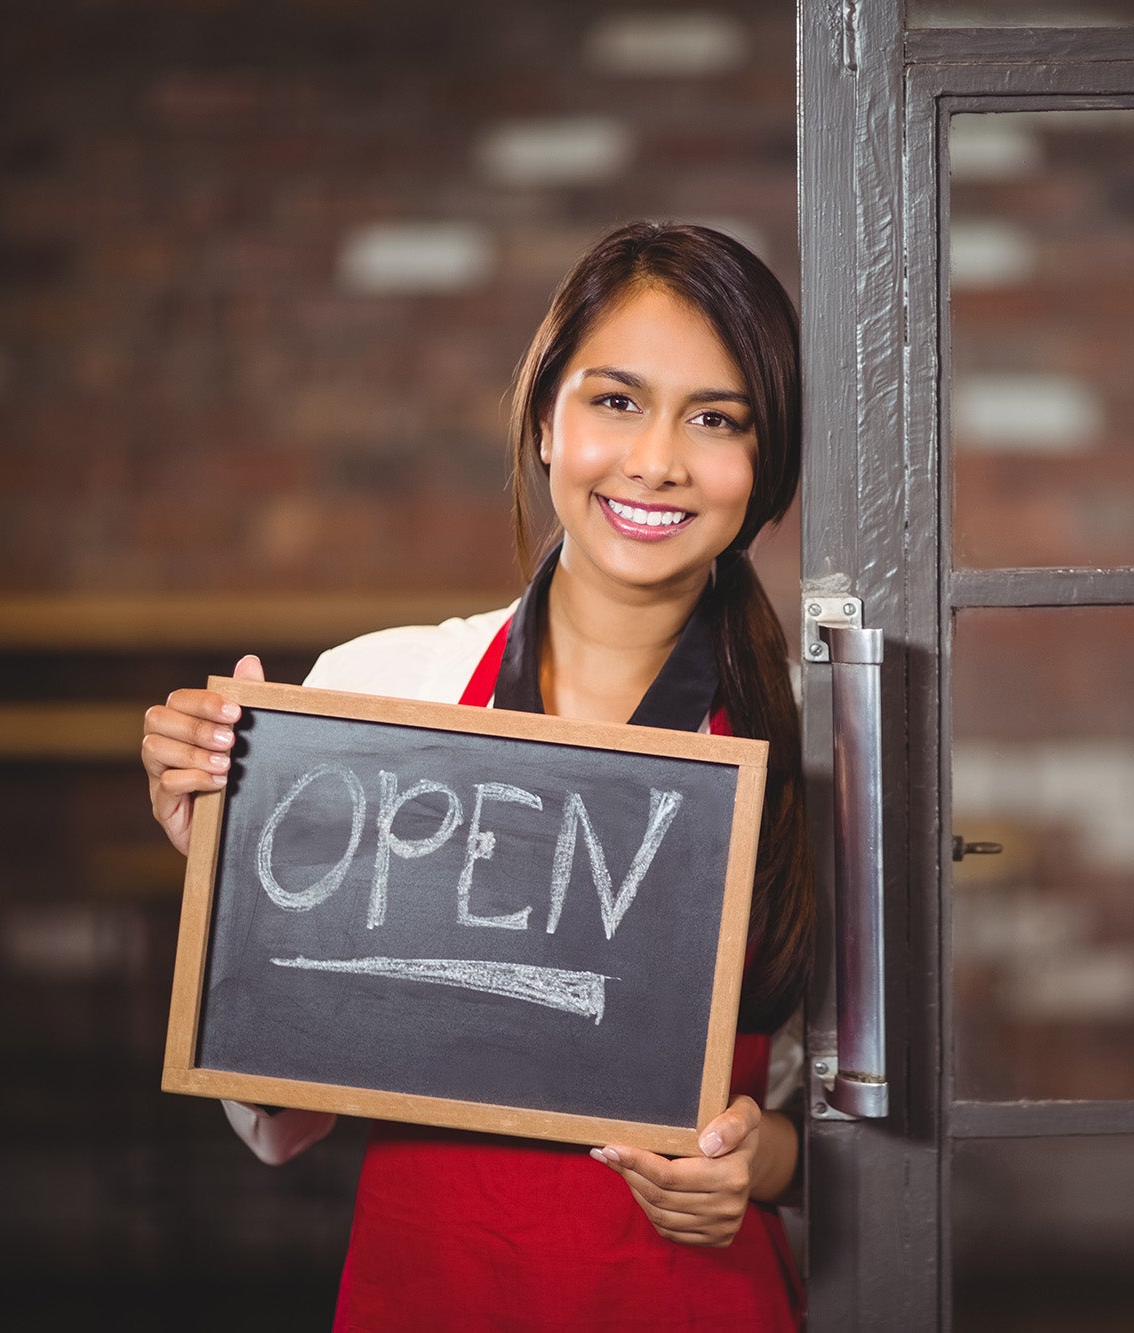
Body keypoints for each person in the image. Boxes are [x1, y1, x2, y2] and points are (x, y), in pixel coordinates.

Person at [140, 222, 814, 1330]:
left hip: (692, 1298)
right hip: (430, 1293)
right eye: (614, 401)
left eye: (716, 418)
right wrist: (230, 876)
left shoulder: (813, 739)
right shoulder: (376, 691)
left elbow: (858, 1137)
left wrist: (762, 1161)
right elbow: (276, 1113)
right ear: (544, 418)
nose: (655, 459)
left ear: (765, 462)